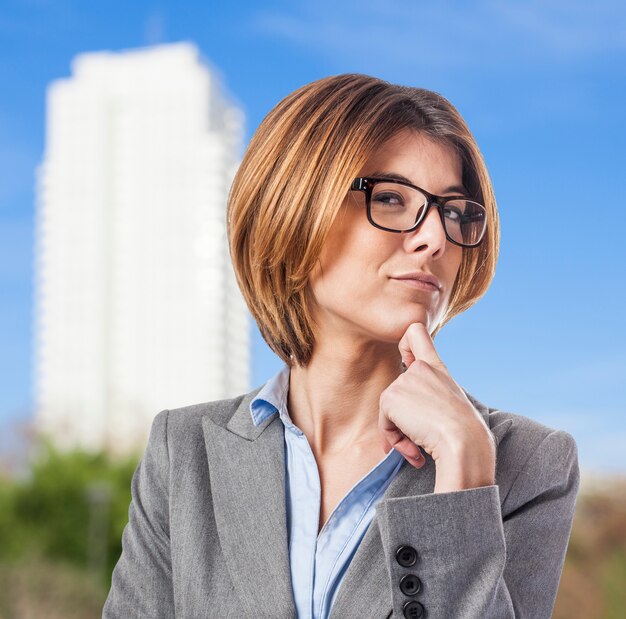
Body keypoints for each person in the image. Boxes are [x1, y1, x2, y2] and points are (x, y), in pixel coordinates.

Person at [103, 74, 579, 619]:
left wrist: (464, 480)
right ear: (293, 206)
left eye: (453, 211)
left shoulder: (527, 462)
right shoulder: (184, 451)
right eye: (393, 198)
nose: (435, 238)